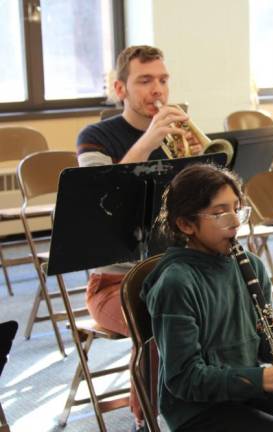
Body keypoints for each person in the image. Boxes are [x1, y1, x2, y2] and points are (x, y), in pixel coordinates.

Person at [141, 164, 273, 432]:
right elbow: (184, 380)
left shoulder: (252, 266)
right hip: (196, 410)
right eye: (220, 213)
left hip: (245, 390)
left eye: (237, 209)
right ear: (186, 224)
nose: (235, 221)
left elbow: (263, 351)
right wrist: (260, 379)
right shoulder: (176, 283)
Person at [75, 45, 201, 431]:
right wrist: (148, 142)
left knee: (223, 305)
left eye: (163, 79)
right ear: (120, 88)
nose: (157, 90)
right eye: (144, 81)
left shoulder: (176, 136)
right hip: (115, 283)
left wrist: (195, 167)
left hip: (173, 270)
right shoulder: (95, 136)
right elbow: (102, 199)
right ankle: (145, 419)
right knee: (161, 321)